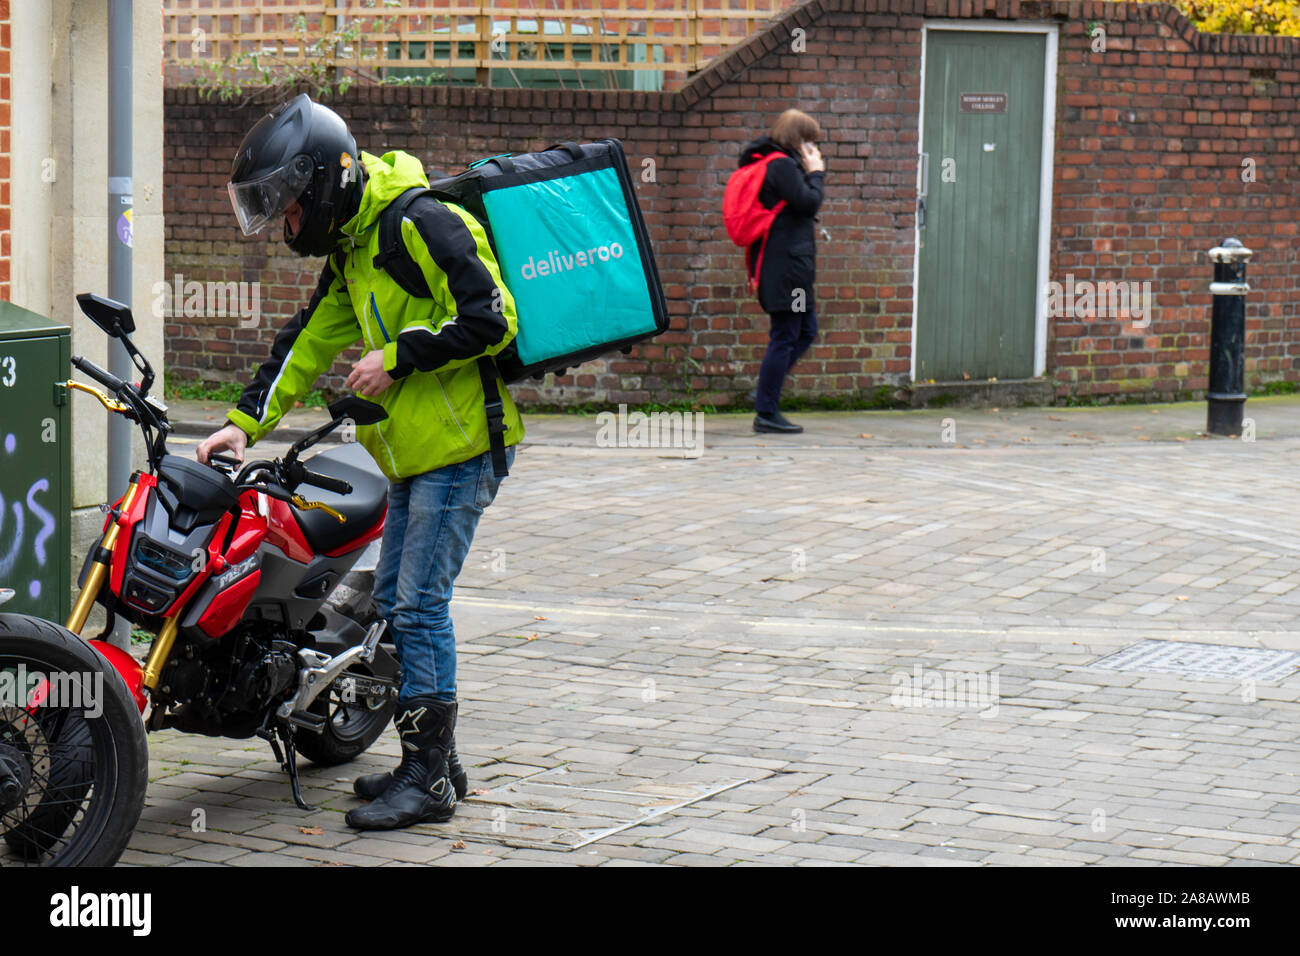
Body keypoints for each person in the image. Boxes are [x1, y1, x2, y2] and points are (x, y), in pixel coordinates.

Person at [196, 94, 523, 831]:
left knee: (418, 606)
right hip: (413, 454)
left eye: (287, 206)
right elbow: (305, 343)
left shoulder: (421, 222)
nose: (285, 224)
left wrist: (398, 357)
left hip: (462, 448)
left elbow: (495, 317)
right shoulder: (355, 247)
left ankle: (428, 780)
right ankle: (433, 762)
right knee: (399, 609)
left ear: (324, 186)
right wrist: (242, 425)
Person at [739, 109, 826, 434]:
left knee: (804, 330)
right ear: (799, 140)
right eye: (811, 142)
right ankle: (766, 412)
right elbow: (808, 202)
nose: (814, 149)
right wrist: (816, 172)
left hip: (790, 269)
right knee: (787, 335)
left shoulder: (777, 163)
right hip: (787, 271)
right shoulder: (780, 166)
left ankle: (766, 389)